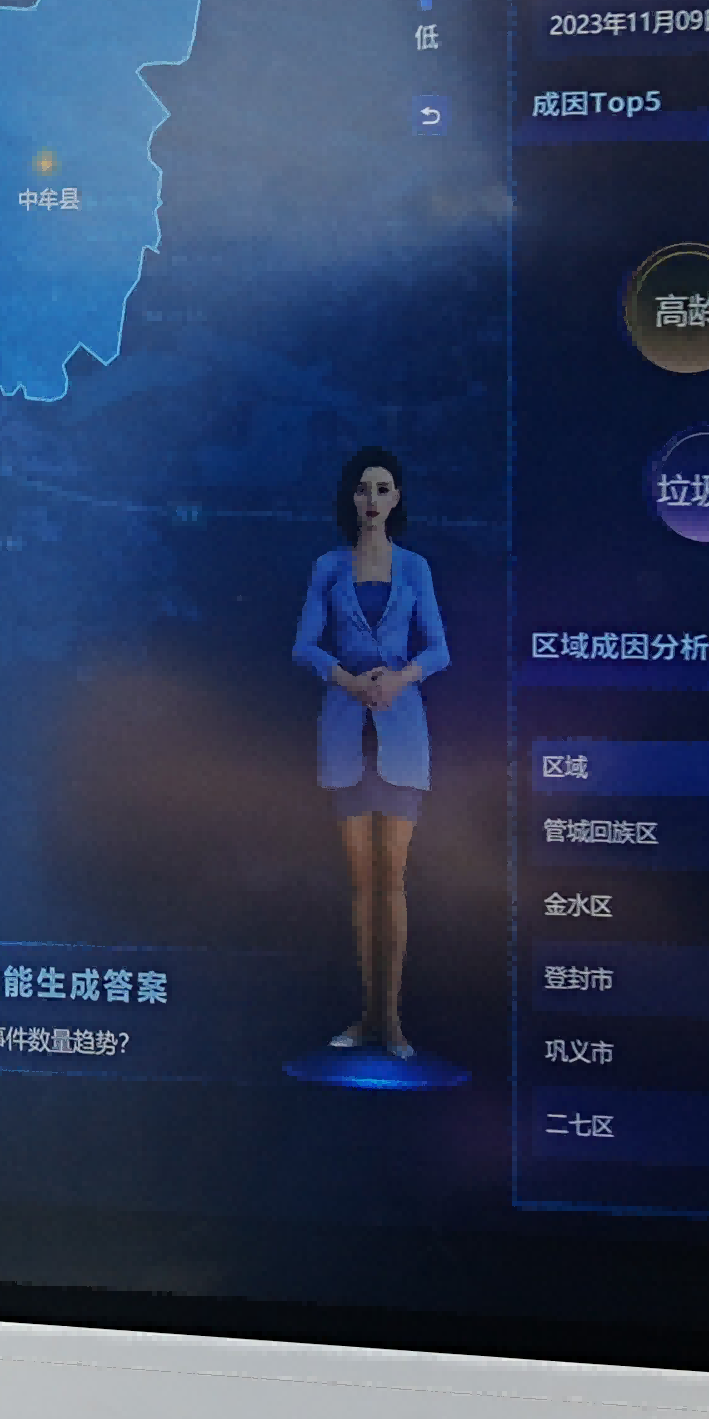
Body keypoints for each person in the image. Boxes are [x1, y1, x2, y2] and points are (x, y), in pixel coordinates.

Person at [300, 447, 450, 1060]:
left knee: (395, 881)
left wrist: (400, 678)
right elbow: (305, 645)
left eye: (382, 488)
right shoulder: (328, 566)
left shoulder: (415, 567)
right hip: (345, 731)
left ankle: (391, 1020)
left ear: (396, 499)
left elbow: (438, 649)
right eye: (363, 488)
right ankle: (368, 1016)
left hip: (401, 735)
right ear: (352, 497)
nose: (372, 499)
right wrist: (348, 680)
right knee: (362, 884)